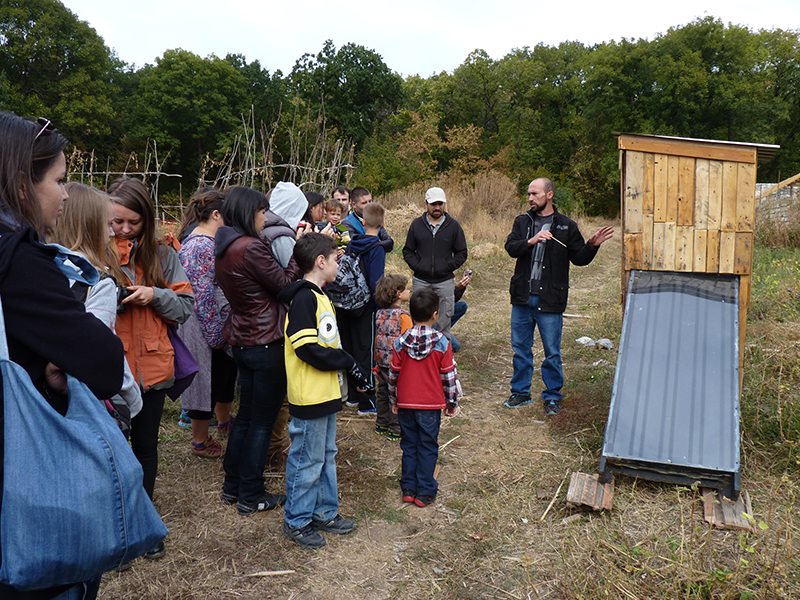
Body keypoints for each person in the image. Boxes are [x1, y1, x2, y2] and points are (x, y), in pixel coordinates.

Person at [0, 112, 124, 600]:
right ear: (21, 185)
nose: (67, 194)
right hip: (26, 488)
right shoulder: (20, 261)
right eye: (59, 179)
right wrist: (56, 370)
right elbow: (105, 364)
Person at [108, 176, 195, 560]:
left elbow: (185, 308)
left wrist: (154, 295)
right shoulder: (92, 251)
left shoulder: (163, 255)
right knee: (110, 453)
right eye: (117, 221)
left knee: (145, 447)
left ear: (147, 218)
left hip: (154, 371)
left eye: (134, 222)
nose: (125, 230)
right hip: (109, 372)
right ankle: (113, 529)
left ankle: (143, 525)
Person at [277, 233, 371, 549]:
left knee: (326, 456)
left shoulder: (321, 296)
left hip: (327, 393)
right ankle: (297, 520)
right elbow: (306, 347)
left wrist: (346, 369)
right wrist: (346, 360)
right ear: (321, 262)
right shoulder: (304, 298)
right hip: (310, 395)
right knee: (307, 459)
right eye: (335, 260)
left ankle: (324, 512)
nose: (337, 265)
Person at [215, 186, 300, 515]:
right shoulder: (250, 247)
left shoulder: (224, 248)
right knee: (261, 422)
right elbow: (284, 284)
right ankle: (252, 494)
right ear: (248, 213)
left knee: (246, 418)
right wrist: (298, 250)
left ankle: (232, 485)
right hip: (266, 342)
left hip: (244, 340)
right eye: (262, 212)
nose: (265, 217)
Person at [504, 177, 614, 415]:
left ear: (549, 195)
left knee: (552, 351)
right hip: (522, 298)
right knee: (521, 348)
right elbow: (511, 248)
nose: (530, 198)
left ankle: (552, 396)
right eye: (529, 194)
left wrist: (592, 246)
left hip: (551, 299)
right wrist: (531, 240)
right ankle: (520, 393)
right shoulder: (522, 222)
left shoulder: (566, 225)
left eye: (535, 194)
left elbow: (579, 258)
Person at [53, 182, 143, 427]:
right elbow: (99, 349)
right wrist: (132, 397)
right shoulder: (98, 281)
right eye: (108, 224)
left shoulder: (44, 267)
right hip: (90, 401)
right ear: (90, 226)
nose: (113, 232)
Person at [177, 187, 237, 459]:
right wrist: (215, 334)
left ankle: (223, 421)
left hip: (214, 323)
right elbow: (201, 296)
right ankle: (200, 441)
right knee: (204, 382)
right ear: (216, 214)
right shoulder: (200, 246)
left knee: (221, 376)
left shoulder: (207, 243)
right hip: (203, 325)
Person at [389, 289, 458, 508]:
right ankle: (425, 491)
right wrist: (451, 402)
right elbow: (448, 375)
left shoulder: (400, 342)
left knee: (409, 444)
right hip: (430, 405)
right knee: (427, 445)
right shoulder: (441, 343)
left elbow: (393, 373)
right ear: (435, 315)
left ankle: (408, 488)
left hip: (406, 402)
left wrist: (394, 400)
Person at [402, 186, 468, 343]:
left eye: (440, 203)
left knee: (444, 324)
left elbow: (462, 253)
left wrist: (446, 267)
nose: (437, 207)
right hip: (421, 281)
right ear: (426, 203)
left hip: (444, 282)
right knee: (419, 321)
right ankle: (420, 354)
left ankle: (442, 359)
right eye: (433, 204)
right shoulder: (417, 225)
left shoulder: (453, 226)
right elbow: (407, 251)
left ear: (444, 203)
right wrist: (419, 267)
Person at [338, 202, 386, 415]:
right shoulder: (377, 249)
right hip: (365, 308)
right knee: (365, 351)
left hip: (345, 305)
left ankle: (353, 397)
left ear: (363, 222)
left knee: (349, 348)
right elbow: (376, 282)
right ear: (383, 223)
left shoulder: (352, 243)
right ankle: (367, 402)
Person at [373, 273, 412, 440]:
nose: (409, 291)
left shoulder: (379, 313)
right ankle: (396, 428)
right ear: (398, 293)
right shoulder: (404, 316)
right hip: (398, 365)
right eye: (406, 289)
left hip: (381, 361)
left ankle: (381, 423)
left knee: (381, 392)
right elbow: (408, 342)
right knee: (396, 396)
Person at [341, 186, 393, 252]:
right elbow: (357, 245)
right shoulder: (347, 223)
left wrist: (375, 244)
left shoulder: (374, 218)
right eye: (364, 203)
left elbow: (389, 243)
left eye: (370, 201)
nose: (369, 205)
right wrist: (378, 242)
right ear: (354, 204)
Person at [449, 270, 473, 352]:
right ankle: (439, 332)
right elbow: (440, 300)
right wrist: (456, 288)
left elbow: (450, 301)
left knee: (462, 306)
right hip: (430, 318)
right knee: (456, 346)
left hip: (440, 313)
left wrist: (461, 287)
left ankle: (443, 330)